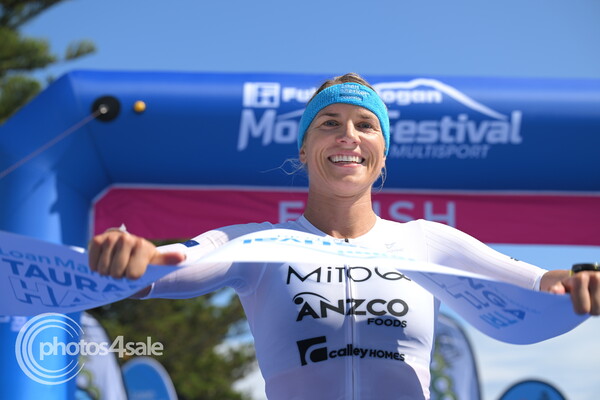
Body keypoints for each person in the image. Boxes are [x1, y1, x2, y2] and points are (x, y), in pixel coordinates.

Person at [89, 73, 600, 400]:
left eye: (365, 125)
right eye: (329, 123)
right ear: (304, 149)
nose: (348, 135)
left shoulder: (426, 241)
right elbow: (170, 266)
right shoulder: (260, 243)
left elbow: (540, 283)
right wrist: (132, 260)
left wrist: (583, 281)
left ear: (382, 154)